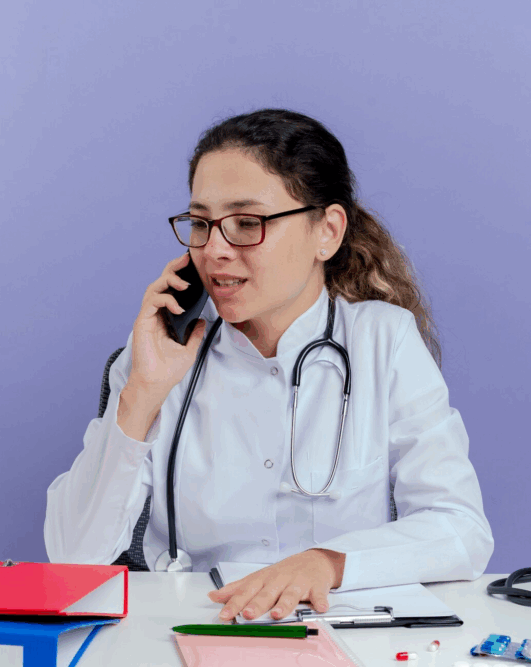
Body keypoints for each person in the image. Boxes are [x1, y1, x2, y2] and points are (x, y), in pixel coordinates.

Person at [44, 108, 493, 623]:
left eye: (246, 223)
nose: (214, 250)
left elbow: (460, 529)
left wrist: (327, 562)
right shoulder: (159, 354)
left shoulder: (383, 341)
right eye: (201, 224)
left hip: (340, 631)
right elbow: (73, 559)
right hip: (195, 628)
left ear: (327, 232)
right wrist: (142, 393)